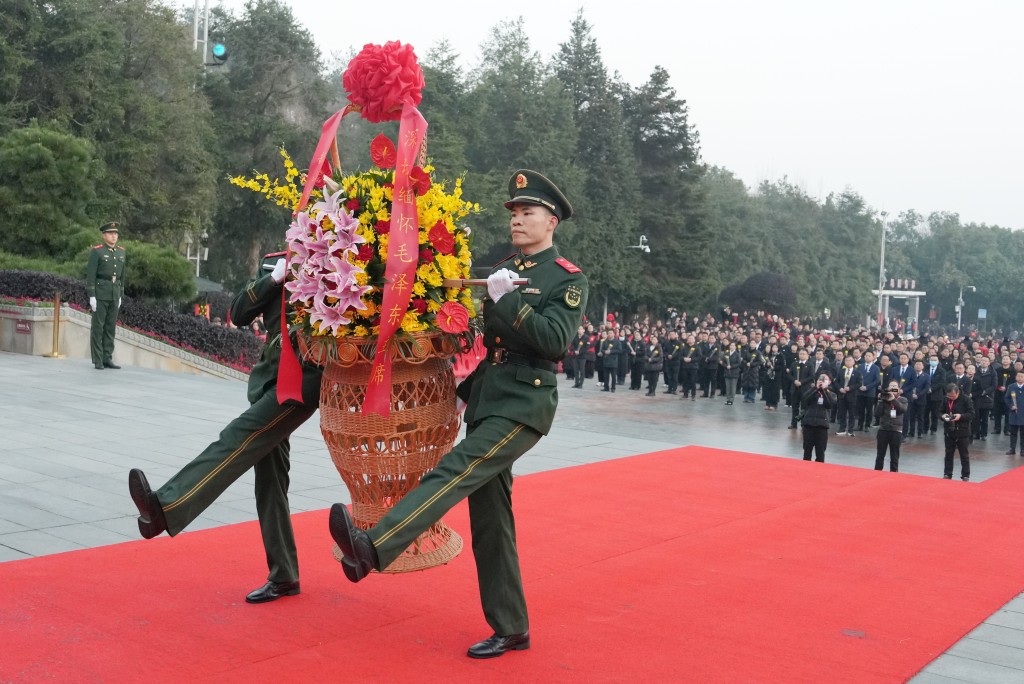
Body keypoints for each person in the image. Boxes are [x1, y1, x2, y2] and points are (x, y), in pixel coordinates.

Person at [327, 169, 588, 659]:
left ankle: (375, 546)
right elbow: (494, 349)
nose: (516, 221)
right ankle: (511, 626)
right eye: (513, 213)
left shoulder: (566, 279)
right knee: (491, 518)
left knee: (455, 469)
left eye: (527, 213)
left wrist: (509, 301)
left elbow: (554, 342)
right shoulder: (506, 269)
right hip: (492, 398)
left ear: (551, 222)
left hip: (525, 403)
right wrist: (465, 392)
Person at [127, 251, 324, 603]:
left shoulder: (340, 266)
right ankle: (285, 575)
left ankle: (166, 507)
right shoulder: (283, 263)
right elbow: (237, 313)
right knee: (270, 480)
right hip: (270, 380)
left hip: (303, 381)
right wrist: (273, 280)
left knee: (237, 438)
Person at [85, 222, 126, 370]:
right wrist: (92, 295)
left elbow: (122, 276)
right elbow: (91, 275)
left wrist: (120, 294)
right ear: (104, 235)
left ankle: (107, 357)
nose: (114, 236)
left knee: (110, 327)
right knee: (98, 327)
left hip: (114, 293)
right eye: (110, 233)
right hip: (101, 293)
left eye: (115, 233)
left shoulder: (121, 252)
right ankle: (98, 359)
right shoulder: (97, 252)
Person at [940, 383, 973, 481]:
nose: (951, 398)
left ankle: (965, 475)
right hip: (949, 430)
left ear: (958, 392)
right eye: (949, 396)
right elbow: (939, 411)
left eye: (953, 396)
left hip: (962, 431)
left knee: (964, 455)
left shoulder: (966, 399)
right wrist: (942, 416)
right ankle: (947, 473)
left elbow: (971, 414)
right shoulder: (945, 399)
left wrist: (961, 416)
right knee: (948, 454)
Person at [874, 381, 909, 471]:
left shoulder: (903, 399)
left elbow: (902, 409)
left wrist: (893, 399)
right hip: (883, 429)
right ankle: (877, 472)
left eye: (895, 386)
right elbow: (877, 413)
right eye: (891, 386)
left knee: (894, 456)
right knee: (880, 455)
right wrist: (881, 400)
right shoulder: (884, 398)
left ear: (899, 389)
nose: (893, 388)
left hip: (896, 430)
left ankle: (893, 474)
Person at [801, 374, 836, 462]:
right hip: (809, 424)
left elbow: (830, 404)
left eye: (825, 380)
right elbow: (805, 399)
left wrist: (824, 391)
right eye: (820, 379)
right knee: (807, 451)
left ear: (829, 382)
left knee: (820, 452)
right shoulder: (812, 391)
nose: (822, 381)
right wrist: (816, 388)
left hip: (822, 426)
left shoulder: (832, 394)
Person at [1004, 371, 1024, 456]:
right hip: (1014, 413)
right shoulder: (1011, 386)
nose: (1019, 378)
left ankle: (1023, 450)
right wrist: (1011, 406)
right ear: (1016, 377)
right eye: (1018, 376)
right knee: (1013, 432)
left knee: (1023, 433)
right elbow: (1007, 398)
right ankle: (1012, 448)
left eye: (1022, 376)